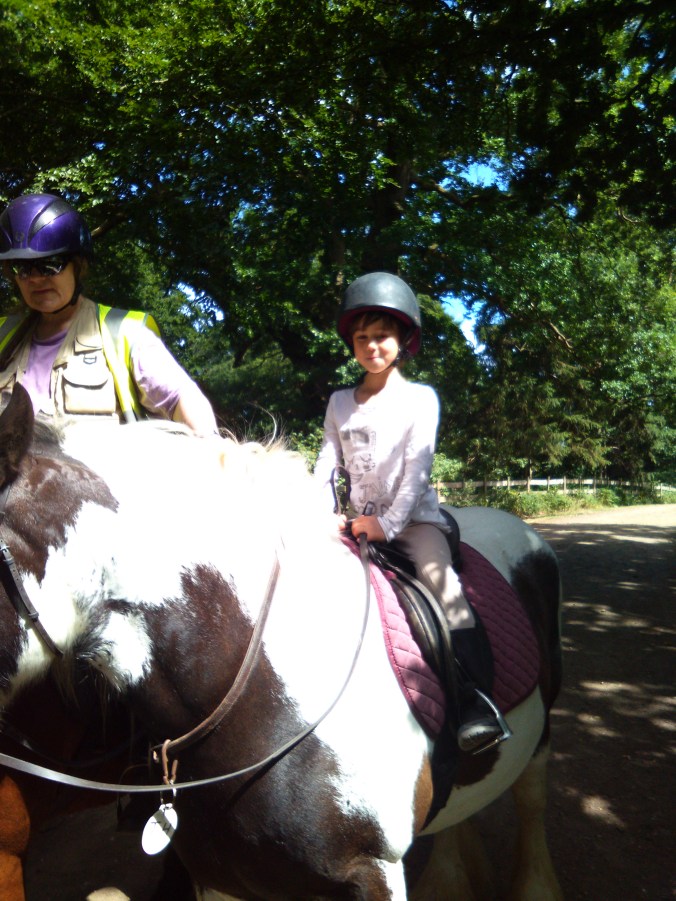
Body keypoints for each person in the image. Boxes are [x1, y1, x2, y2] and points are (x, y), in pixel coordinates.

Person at [314, 271, 508, 753]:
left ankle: (474, 701)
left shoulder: (421, 399)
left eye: (382, 336)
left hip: (414, 524)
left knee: (446, 588)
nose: (371, 346)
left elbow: (417, 471)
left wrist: (387, 525)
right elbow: (325, 464)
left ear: (403, 341)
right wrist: (319, 513)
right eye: (362, 338)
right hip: (359, 523)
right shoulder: (340, 402)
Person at [0, 192, 217, 434]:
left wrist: (215, 450)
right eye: (23, 268)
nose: (37, 279)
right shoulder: (3, 334)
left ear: (78, 265)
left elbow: (179, 397)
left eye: (51, 265)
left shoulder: (125, 332)